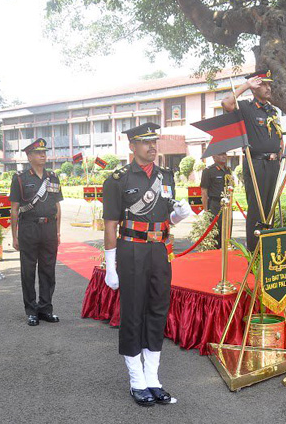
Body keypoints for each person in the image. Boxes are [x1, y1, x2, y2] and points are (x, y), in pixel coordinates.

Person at [102, 122, 193, 407]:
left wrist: (180, 215)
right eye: (145, 142)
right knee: (133, 312)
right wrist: (110, 265)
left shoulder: (166, 176)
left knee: (157, 310)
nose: (152, 147)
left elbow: (167, 217)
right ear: (132, 146)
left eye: (154, 142)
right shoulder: (117, 179)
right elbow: (110, 224)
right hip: (131, 250)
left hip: (160, 250)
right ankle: (136, 380)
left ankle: (152, 379)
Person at [221, 69, 282, 250]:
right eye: (263, 84)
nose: (268, 87)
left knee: (270, 208)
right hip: (256, 163)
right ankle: (254, 252)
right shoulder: (246, 107)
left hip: (273, 164)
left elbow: (278, 134)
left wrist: (281, 153)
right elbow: (226, 103)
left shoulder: (272, 109)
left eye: (269, 84)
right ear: (254, 87)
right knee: (257, 210)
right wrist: (246, 85)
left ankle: (269, 250)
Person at [9, 138, 63, 326]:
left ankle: (46, 308)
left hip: (48, 229)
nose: (43, 155)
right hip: (28, 228)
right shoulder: (19, 179)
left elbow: (57, 207)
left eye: (44, 152)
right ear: (29, 156)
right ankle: (31, 310)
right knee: (28, 271)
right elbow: (14, 209)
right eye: (38, 152)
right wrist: (14, 236)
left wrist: (57, 232)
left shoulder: (53, 177)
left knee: (48, 270)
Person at [200, 153, 233, 249]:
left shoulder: (228, 170)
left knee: (227, 230)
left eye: (225, 154)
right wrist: (206, 211)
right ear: (214, 157)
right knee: (216, 232)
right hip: (215, 204)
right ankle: (216, 253)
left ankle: (226, 250)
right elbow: (204, 191)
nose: (224, 156)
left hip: (227, 205)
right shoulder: (208, 171)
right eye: (220, 154)